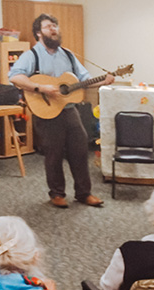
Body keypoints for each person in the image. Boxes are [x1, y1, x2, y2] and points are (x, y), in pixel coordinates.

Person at [9, 14, 111, 209]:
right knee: (53, 153)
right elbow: (15, 77)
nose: (54, 29)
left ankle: (84, 193)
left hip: (69, 109)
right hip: (46, 110)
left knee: (80, 150)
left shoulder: (68, 54)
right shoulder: (32, 55)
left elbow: (84, 80)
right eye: (48, 27)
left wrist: (103, 80)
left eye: (55, 26)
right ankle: (57, 193)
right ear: (39, 33)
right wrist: (41, 88)